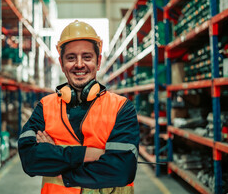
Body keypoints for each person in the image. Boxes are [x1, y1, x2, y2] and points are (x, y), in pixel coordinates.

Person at [18, 20, 140, 194]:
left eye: (87, 57)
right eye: (71, 58)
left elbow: (122, 171)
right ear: (62, 64)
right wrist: (90, 154)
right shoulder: (45, 107)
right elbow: (30, 160)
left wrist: (58, 159)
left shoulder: (121, 108)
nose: (79, 64)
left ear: (98, 62)